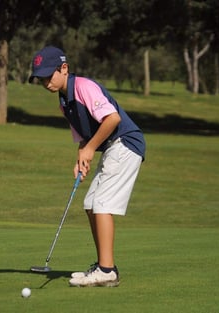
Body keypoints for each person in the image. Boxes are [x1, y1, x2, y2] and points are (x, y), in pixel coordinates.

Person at [29, 46, 146, 287]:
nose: (45, 83)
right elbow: (83, 137)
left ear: (64, 68)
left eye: (48, 75)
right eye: (40, 79)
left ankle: (106, 271)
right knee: (91, 203)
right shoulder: (64, 101)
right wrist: (81, 157)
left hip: (126, 143)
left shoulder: (83, 86)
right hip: (113, 147)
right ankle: (105, 265)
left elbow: (112, 118)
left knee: (102, 203)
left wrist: (91, 149)